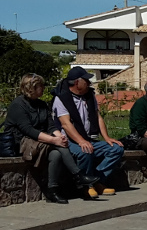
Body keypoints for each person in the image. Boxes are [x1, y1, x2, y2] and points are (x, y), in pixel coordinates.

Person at [5, 73, 99, 204]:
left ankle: (52, 190)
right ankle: (78, 175)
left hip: (39, 140)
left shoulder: (42, 105)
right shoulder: (18, 105)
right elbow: (28, 130)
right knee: (58, 146)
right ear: (32, 87)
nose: (44, 88)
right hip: (22, 142)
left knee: (56, 155)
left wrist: (59, 136)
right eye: (41, 86)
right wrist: (54, 140)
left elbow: (50, 125)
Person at [52, 66, 124, 198]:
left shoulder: (90, 95)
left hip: (89, 137)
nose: (89, 83)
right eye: (86, 80)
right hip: (70, 140)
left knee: (116, 149)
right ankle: (85, 187)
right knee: (85, 151)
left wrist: (107, 138)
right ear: (76, 82)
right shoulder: (61, 99)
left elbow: (98, 117)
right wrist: (81, 141)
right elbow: (66, 124)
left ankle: (97, 180)